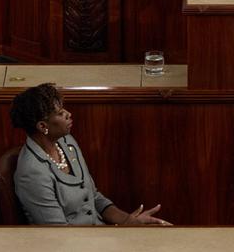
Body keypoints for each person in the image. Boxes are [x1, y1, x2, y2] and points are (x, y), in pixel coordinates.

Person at [10, 83, 171, 225]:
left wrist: (129, 222)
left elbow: (93, 197)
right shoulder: (31, 173)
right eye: (60, 113)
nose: (68, 114)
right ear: (42, 126)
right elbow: (58, 234)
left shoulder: (67, 142)